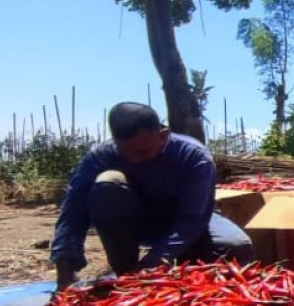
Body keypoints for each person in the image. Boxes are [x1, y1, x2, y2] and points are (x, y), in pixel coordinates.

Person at [49, 101, 254, 291]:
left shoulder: (194, 156)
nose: (134, 159)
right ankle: (126, 272)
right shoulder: (102, 156)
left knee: (236, 247)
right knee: (107, 182)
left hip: (188, 221)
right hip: (137, 220)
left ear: (163, 135)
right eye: (125, 151)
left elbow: (192, 219)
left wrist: (152, 263)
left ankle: (159, 274)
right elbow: (72, 212)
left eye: (143, 151)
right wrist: (64, 268)